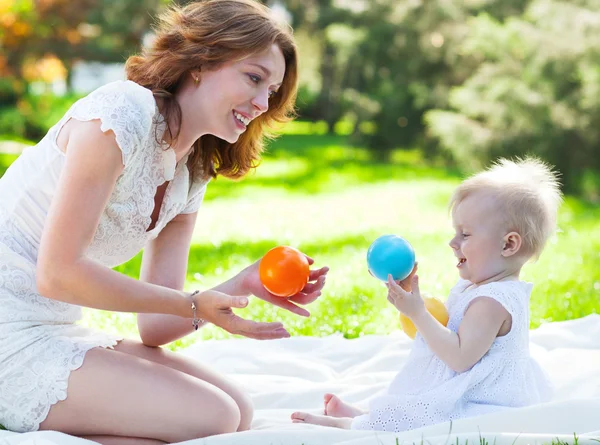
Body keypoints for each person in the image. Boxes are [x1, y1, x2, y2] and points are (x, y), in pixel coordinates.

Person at [0, 1, 328, 443]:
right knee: (211, 416)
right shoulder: (123, 112)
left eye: (271, 90)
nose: (261, 103)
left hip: (57, 329)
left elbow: (154, 326)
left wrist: (244, 283)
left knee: (238, 411)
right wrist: (193, 304)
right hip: (9, 334)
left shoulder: (191, 169)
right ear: (203, 61)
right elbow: (57, 275)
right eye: (254, 78)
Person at [291, 157, 561, 432]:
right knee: (418, 401)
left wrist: (417, 313)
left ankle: (351, 425)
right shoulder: (480, 288)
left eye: (465, 234)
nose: (452, 242)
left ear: (509, 244)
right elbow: (446, 324)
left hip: (481, 403)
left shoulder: (491, 302)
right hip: (467, 388)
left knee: (429, 418)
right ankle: (367, 415)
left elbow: (458, 357)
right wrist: (411, 297)